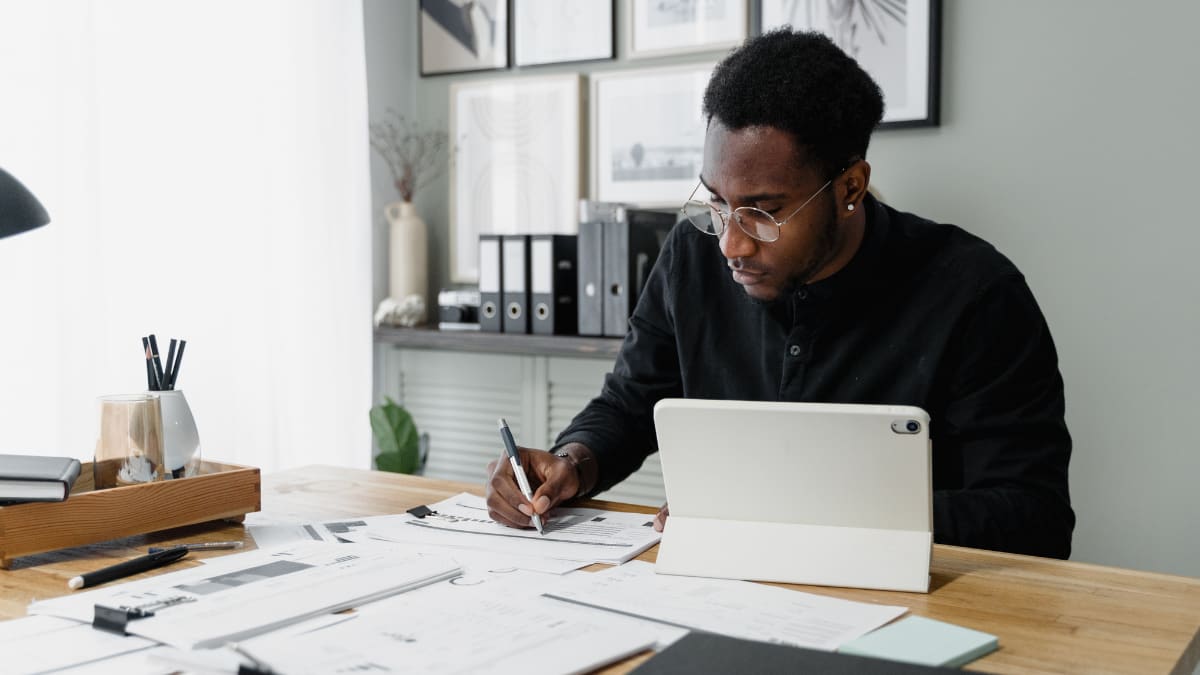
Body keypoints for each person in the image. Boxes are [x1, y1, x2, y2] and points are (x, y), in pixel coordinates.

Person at [485, 29, 1074, 559]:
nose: (731, 246)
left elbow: (1034, 518)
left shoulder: (976, 293)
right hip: (725, 592)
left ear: (850, 186)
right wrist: (572, 462)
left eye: (763, 213)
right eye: (716, 203)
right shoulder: (691, 256)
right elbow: (630, 405)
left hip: (917, 604)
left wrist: (797, 519)